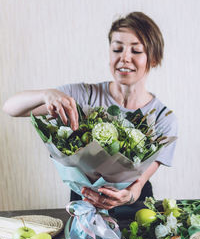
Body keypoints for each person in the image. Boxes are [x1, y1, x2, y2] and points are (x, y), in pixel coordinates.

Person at [3, 12, 177, 218]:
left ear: (154, 59)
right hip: (84, 201)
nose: (125, 58)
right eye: (117, 48)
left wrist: (129, 195)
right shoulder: (84, 96)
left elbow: (138, 184)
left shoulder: (163, 118)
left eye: (136, 50)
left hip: (133, 208)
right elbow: (11, 108)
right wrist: (46, 94)